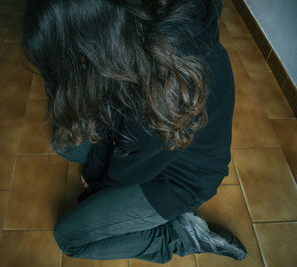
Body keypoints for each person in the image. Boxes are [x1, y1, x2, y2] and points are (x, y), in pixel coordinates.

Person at [22, 0, 248, 264]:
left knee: (70, 238)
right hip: (146, 140)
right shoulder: (130, 26)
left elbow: (131, 169)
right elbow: (118, 116)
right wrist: (95, 166)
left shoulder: (168, 88)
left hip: (177, 178)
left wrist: (98, 185)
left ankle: (178, 236)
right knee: (65, 145)